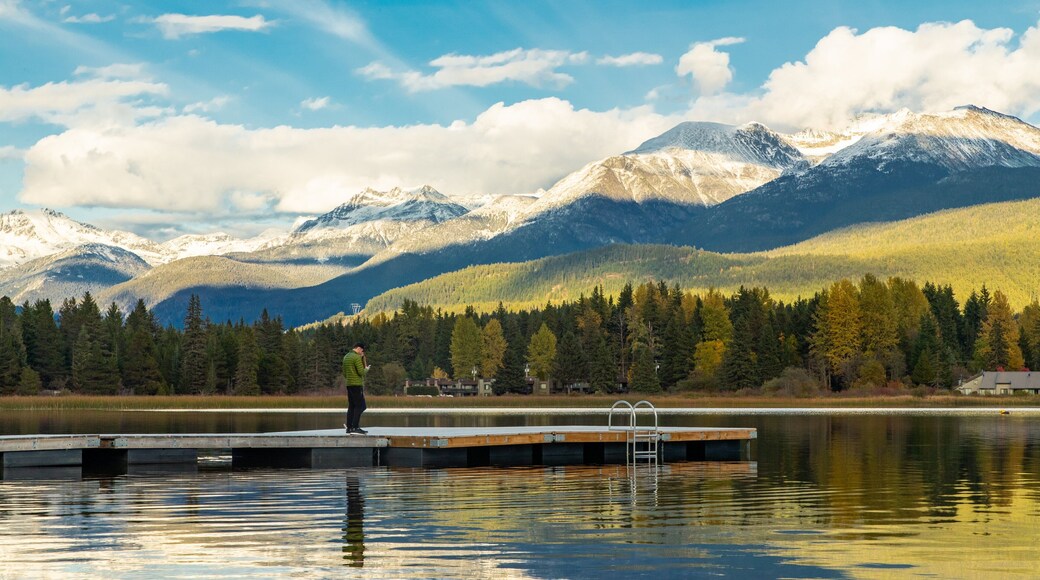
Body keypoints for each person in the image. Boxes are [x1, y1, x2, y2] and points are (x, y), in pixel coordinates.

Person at [343, 342, 369, 434]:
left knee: (351, 406)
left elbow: (344, 373)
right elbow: (361, 372)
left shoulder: (346, 357)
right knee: (360, 406)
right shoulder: (356, 357)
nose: (362, 352)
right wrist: (366, 369)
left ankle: (349, 427)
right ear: (358, 348)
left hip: (349, 384)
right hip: (357, 385)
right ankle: (355, 427)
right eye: (362, 350)